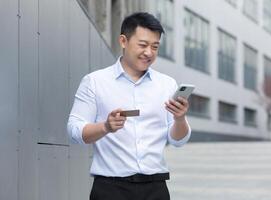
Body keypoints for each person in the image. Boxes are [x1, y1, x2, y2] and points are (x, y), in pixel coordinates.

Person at [67, 12, 191, 200]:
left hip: (155, 188)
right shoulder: (95, 82)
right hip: (110, 189)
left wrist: (180, 118)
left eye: (155, 46)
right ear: (123, 41)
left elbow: (177, 141)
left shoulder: (167, 85)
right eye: (142, 45)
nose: (149, 52)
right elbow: (74, 131)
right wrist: (105, 127)